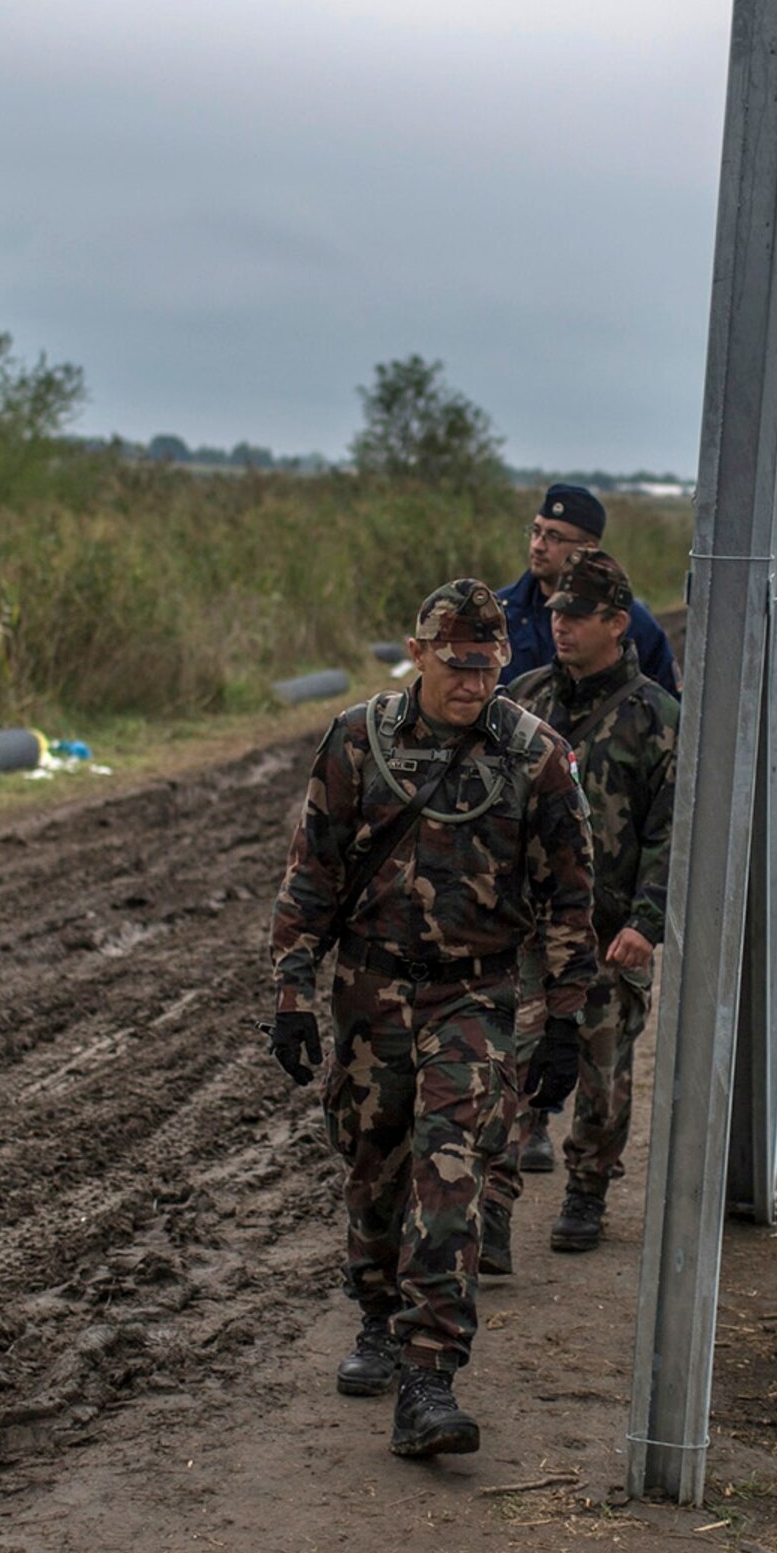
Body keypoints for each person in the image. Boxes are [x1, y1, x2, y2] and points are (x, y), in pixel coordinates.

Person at [263, 578, 595, 1459]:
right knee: (374, 1166)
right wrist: (294, 995)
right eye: (455, 667)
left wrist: (564, 1020)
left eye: (487, 668)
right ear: (417, 656)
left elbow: (569, 897)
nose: (471, 684)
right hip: (370, 995)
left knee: (449, 1173)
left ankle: (428, 1376)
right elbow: (311, 877)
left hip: (474, 997)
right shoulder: (358, 742)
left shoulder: (534, 756)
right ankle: (375, 1316)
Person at [494, 550, 675, 1255]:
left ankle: (588, 1190)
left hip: (607, 932)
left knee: (603, 1069)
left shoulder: (656, 720)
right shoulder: (526, 702)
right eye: (556, 613)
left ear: (617, 624)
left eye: (577, 615)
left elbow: (669, 830)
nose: (560, 626)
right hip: (524, 926)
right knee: (504, 1062)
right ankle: (492, 1205)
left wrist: (645, 923)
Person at [497, 483, 678, 695]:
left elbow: (669, 707)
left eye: (554, 537)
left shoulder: (631, 622)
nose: (538, 545)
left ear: (588, 548)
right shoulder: (500, 614)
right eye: (536, 532)